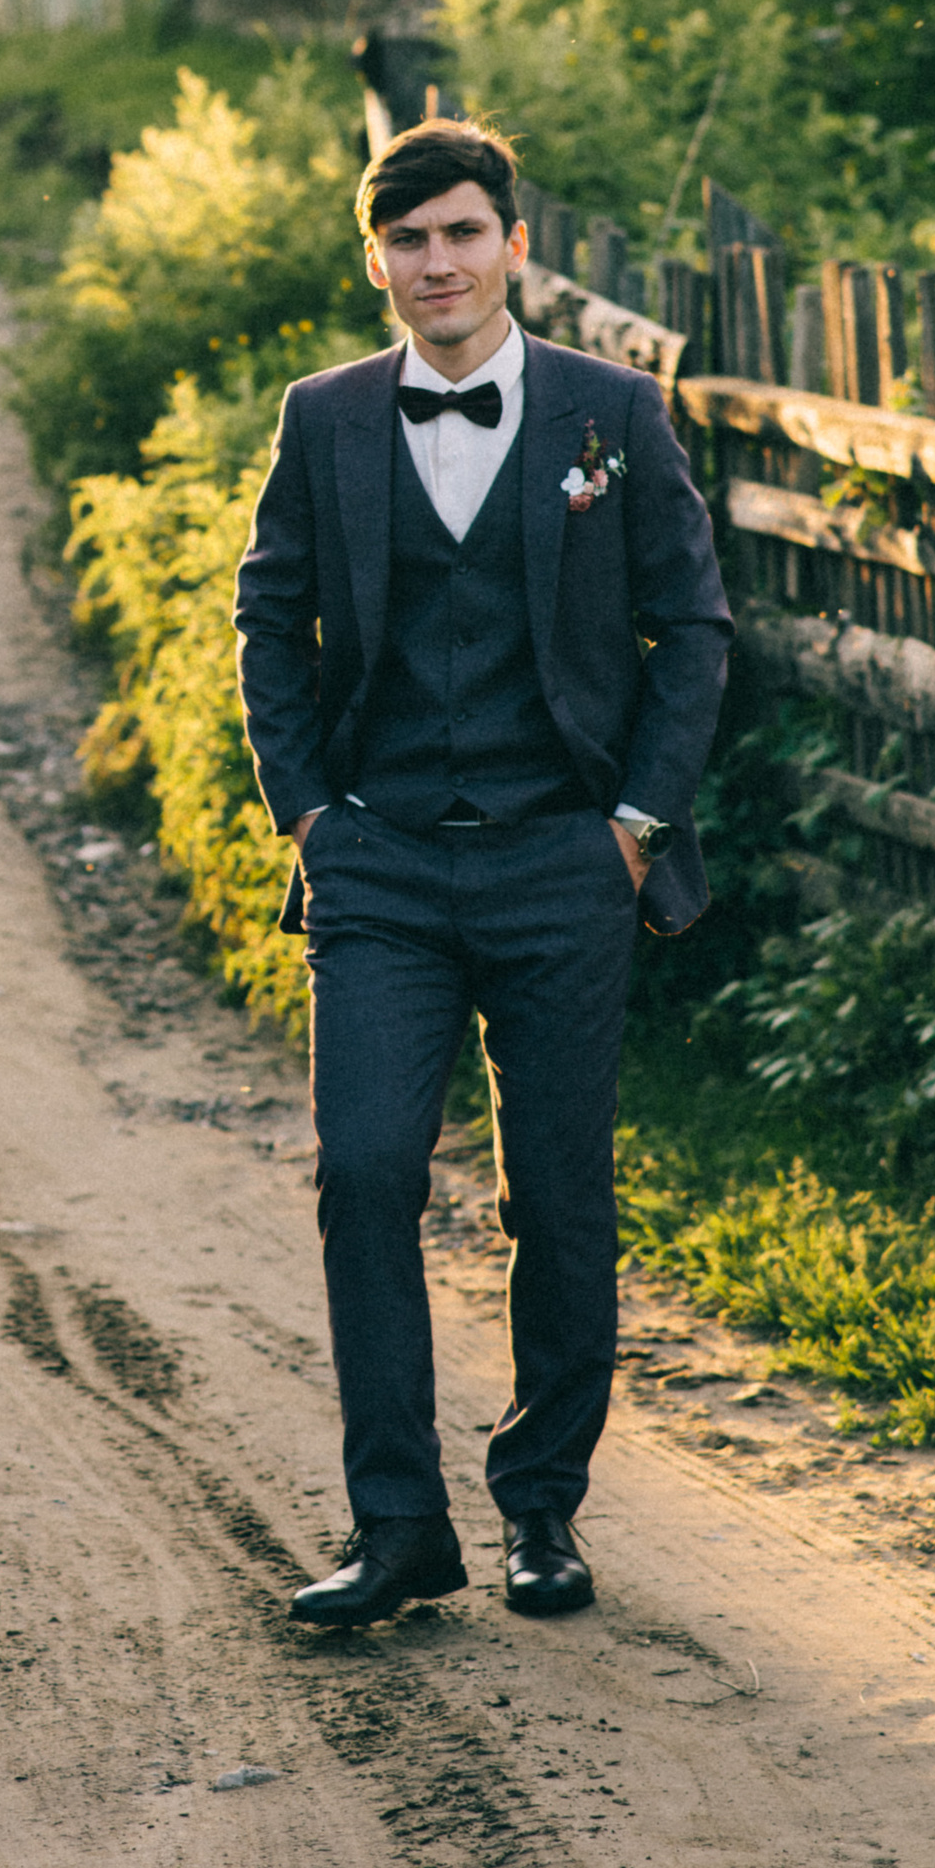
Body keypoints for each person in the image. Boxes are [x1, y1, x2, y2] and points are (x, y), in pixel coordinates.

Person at [233, 118, 729, 1631]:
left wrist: (636, 823)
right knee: (368, 1170)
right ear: (373, 259)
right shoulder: (323, 420)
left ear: (514, 243)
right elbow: (271, 619)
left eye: (460, 232)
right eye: (405, 239)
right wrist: (311, 812)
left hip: (561, 865)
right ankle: (398, 1527)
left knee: (561, 1199)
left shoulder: (611, 412)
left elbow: (691, 629)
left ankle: (544, 1508)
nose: (434, 263)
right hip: (380, 863)